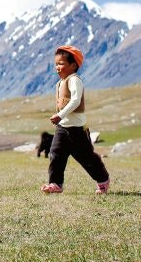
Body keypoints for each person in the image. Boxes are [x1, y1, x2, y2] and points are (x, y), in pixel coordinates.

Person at [41, 45, 110, 195]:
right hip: (62, 128)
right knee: (55, 154)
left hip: (76, 130)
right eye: (56, 64)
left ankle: (103, 180)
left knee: (86, 158)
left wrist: (60, 115)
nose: (57, 67)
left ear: (73, 65)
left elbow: (75, 101)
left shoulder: (74, 80)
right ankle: (55, 184)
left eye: (61, 64)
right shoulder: (60, 83)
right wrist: (60, 117)